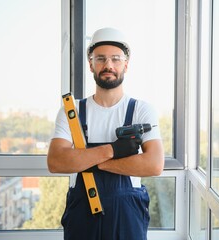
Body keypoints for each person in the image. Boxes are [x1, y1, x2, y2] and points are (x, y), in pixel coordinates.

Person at [47, 27, 164, 240]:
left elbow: (154, 165)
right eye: (100, 58)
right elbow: (56, 162)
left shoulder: (141, 110)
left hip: (127, 214)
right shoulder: (72, 112)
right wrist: (113, 150)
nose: (108, 65)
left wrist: (87, 161)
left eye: (116, 59)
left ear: (126, 65)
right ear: (91, 64)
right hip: (81, 214)